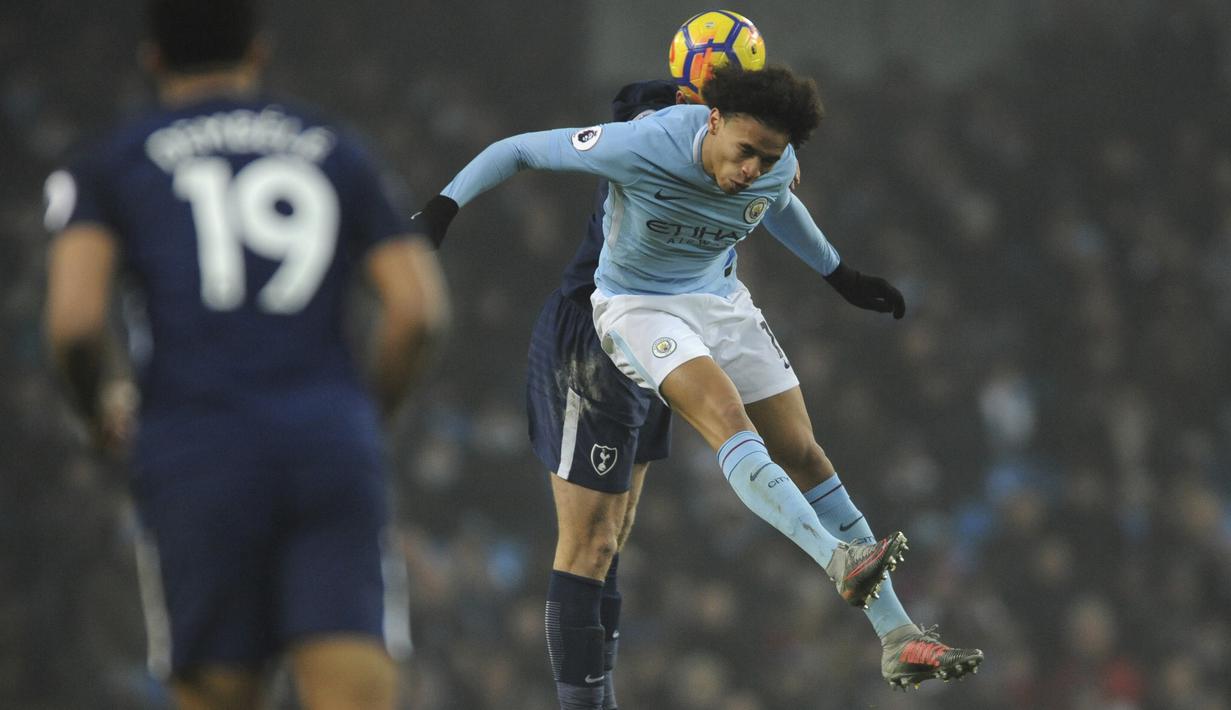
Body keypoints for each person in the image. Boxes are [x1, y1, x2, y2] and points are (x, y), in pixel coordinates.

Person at [411, 62, 982, 705]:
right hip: (636, 307)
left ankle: (896, 633)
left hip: (719, 301)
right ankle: (833, 559)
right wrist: (441, 208)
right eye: (744, 153)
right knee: (719, 425)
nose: (750, 170)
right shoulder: (644, 142)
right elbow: (519, 150)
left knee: (803, 452)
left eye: (767, 158)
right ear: (712, 119)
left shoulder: (771, 161)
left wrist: (840, 275)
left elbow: (781, 208)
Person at [42, 1, 448, 708]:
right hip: (326, 441)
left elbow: (75, 323)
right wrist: (362, 412)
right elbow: (417, 310)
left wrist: (97, 406)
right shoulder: (335, 147)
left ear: (153, 59)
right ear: (258, 53)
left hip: (196, 448)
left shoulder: (112, 160)